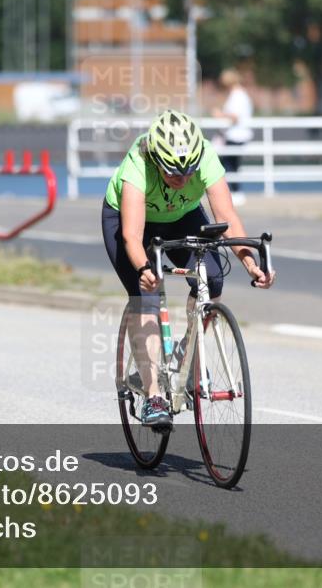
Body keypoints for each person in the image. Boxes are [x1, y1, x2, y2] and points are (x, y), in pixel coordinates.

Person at [101, 109, 275, 430]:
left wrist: (249, 263)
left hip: (182, 216)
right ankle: (153, 395)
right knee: (146, 296)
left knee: (213, 277)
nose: (182, 181)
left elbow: (227, 219)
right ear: (156, 159)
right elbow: (130, 235)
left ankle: (185, 355)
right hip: (131, 224)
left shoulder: (206, 156)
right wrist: (143, 267)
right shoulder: (137, 165)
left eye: (188, 173)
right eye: (173, 174)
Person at [211, 69, 253, 206]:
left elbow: (235, 116)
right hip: (235, 134)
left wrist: (220, 114)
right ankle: (235, 192)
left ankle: (235, 192)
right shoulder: (239, 95)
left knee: (230, 164)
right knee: (231, 164)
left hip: (236, 135)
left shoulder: (238, 96)